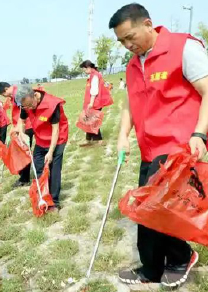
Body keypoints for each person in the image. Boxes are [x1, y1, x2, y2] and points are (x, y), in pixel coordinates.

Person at [109, 3, 208, 288]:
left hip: (180, 146)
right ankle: (161, 264)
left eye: (131, 37)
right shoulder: (132, 64)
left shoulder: (183, 48)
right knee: (153, 208)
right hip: (150, 147)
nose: (128, 45)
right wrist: (122, 135)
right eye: (122, 41)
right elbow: (129, 103)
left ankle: (172, 262)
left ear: (148, 24)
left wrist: (200, 134)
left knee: (158, 209)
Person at [14, 85, 69, 210]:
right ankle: (43, 194)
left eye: (30, 105)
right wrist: (22, 134)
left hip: (57, 139)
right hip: (40, 138)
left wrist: (50, 152)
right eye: (26, 106)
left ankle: (54, 202)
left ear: (34, 95)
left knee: (54, 168)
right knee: (38, 166)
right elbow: (21, 121)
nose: (28, 108)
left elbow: (56, 131)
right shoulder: (25, 104)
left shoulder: (52, 105)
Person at [0, 82, 34, 187]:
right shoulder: (14, 95)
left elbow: (23, 113)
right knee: (20, 150)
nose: (5, 96)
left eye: (3, 94)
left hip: (26, 126)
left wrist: (17, 128)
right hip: (20, 126)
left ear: (6, 89)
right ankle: (23, 174)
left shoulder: (18, 94)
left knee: (24, 151)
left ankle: (24, 179)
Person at [79, 60, 113, 147]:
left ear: (89, 67)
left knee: (93, 121)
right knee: (89, 120)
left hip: (95, 102)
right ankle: (88, 139)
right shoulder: (94, 75)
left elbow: (94, 90)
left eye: (85, 70)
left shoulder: (94, 76)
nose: (85, 72)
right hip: (93, 102)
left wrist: (91, 103)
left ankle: (99, 140)